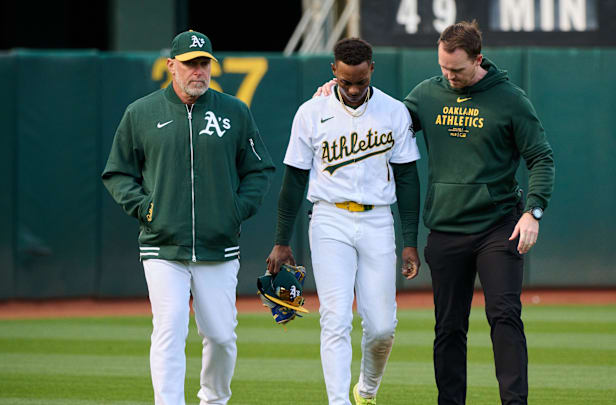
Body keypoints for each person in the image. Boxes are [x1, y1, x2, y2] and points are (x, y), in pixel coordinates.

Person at [316, 21, 554, 405]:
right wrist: (334, 99)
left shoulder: (510, 99)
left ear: (478, 59)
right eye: (443, 67)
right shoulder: (428, 93)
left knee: (504, 315)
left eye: (457, 70)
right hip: (446, 228)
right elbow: (380, 120)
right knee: (448, 328)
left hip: (498, 225)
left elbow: (541, 157)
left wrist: (534, 211)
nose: (448, 75)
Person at [102, 30, 275, 405]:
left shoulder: (234, 111)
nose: (199, 71)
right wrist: (146, 208)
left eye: (204, 63)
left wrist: (236, 209)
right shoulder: (142, 112)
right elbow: (117, 173)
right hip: (162, 243)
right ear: (171, 66)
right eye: (190, 63)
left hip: (218, 242)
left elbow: (259, 170)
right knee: (169, 329)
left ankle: (213, 399)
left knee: (222, 336)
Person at [266, 38, 422, 405]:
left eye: (360, 82)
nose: (353, 90)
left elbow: (408, 179)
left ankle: (366, 389)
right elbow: (293, 180)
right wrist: (281, 239)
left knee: (382, 327)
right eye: (346, 81)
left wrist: (411, 240)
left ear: (371, 70)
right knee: (335, 319)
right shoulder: (310, 112)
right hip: (329, 219)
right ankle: (338, 402)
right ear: (334, 71)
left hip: (378, 220)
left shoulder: (394, 111)